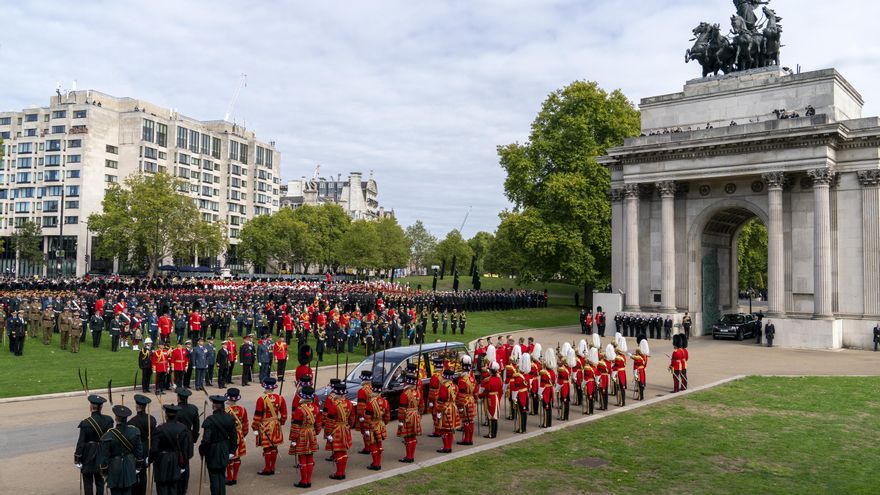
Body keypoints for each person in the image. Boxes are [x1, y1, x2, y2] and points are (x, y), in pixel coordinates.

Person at [99, 404, 144, 495]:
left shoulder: (108, 436)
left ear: (116, 418)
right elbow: (139, 452)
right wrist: (138, 467)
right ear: (126, 418)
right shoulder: (135, 432)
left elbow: (104, 458)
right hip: (129, 466)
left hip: (114, 468)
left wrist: (104, 473)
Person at [75, 395, 114, 495]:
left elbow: (81, 443)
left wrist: (77, 458)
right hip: (102, 454)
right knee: (100, 482)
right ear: (101, 407)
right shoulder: (108, 420)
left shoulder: (85, 423)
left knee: (88, 483)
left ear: (90, 407)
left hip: (88, 455)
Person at [199, 394, 238, 495]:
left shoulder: (210, 420)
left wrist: (202, 449)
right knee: (221, 475)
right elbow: (234, 436)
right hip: (225, 449)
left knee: (214, 477)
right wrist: (232, 451)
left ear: (214, 406)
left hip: (213, 451)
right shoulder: (229, 418)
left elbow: (206, 440)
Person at [151, 404, 193, 495]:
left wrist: (150, 459)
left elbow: (154, 449)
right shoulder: (183, 428)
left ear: (166, 415)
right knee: (173, 488)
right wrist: (183, 465)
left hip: (162, 461)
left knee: (162, 488)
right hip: (175, 460)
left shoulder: (160, 429)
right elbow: (185, 449)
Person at [252, 377, 287, 476]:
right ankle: (272, 467)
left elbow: (257, 416)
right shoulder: (280, 398)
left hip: (265, 425)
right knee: (274, 447)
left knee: (267, 448)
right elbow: (284, 415)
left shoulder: (261, 399)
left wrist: (254, 427)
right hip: (275, 424)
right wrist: (281, 422)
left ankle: (267, 468)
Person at [288, 385, 321, 488]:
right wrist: (315, 432)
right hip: (311, 434)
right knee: (310, 457)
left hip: (302, 434)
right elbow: (318, 424)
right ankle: (309, 480)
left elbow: (296, 425)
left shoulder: (299, 409)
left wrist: (293, 439)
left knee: (302, 457)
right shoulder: (315, 408)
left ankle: (304, 481)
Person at [325, 379, 355, 478]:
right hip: (345, 429)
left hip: (336, 429)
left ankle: (339, 473)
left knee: (338, 452)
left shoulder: (334, 405)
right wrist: (348, 426)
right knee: (344, 452)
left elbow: (329, 421)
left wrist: (328, 433)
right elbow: (352, 418)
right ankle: (342, 472)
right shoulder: (349, 403)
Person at [128, 395, 156, 495]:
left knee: (135, 471)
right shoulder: (151, 419)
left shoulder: (132, 421)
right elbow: (153, 436)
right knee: (143, 473)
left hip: (136, 448)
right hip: (146, 447)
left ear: (137, 406)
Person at [175, 389, 199, 495]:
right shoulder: (193, 409)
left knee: (177, 462)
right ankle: (184, 487)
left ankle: (178, 486)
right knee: (186, 462)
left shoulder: (176, 409)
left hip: (177, 438)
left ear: (179, 398)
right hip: (188, 437)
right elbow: (196, 427)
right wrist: (193, 439)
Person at [364, 377, 390, 470]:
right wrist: (384, 423)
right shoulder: (385, 402)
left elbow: (367, 418)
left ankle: (376, 464)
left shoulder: (370, 403)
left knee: (373, 445)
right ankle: (377, 462)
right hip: (380, 425)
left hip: (372, 426)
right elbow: (387, 416)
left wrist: (366, 428)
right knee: (379, 445)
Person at [224, 388, 248, 486]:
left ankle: (229, 477)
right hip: (239, 434)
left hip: (229, 436)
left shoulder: (225, 411)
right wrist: (243, 435)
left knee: (230, 458)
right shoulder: (242, 409)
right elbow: (245, 425)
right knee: (237, 458)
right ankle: (235, 477)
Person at [396, 372, 422, 463]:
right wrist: (420, 414)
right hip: (415, 414)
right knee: (413, 437)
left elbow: (402, 409)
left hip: (407, 416)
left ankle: (408, 456)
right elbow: (421, 404)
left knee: (407, 437)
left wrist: (400, 420)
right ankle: (411, 456)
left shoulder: (405, 394)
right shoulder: (418, 392)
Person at [455, 355, 477, 446]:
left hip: (465, 402)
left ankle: (467, 439)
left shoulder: (462, 380)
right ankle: (469, 438)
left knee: (466, 421)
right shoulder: (472, 378)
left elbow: (460, 393)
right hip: (471, 400)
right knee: (471, 421)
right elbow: (475, 390)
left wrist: (458, 403)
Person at [478, 361, 503, 438]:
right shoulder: (499, 379)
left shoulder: (489, 380)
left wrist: (480, 396)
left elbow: (486, 391)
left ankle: (491, 434)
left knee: (491, 416)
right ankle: (494, 433)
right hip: (496, 397)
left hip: (490, 398)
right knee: (495, 417)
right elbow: (500, 391)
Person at [356, 369, 374, 454]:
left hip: (366, 413)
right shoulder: (373, 388)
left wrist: (361, 416)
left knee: (365, 431)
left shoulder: (362, 391)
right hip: (375, 412)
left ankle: (367, 447)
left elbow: (361, 406)